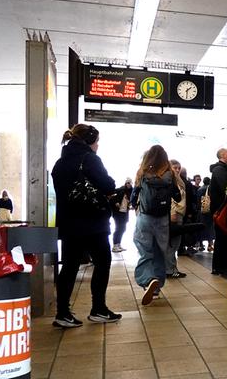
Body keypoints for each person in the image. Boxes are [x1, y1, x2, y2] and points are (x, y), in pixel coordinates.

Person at [50, 123, 120, 327]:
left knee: (69, 267)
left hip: (69, 223)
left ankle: (62, 313)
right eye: (97, 141)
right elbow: (107, 185)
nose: (98, 145)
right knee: (102, 262)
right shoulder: (89, 159)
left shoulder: (60, 163)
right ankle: (98, 308)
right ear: (90, 141)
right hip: (92, 222)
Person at [130, 145, 182, 305]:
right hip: (162, 220)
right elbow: (178, 197)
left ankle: (148, 280)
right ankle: (156, 288)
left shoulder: (142, 172)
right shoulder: (170, 174)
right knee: (160, 252)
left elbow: (133, 197)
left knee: (145, 251)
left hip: (145, 218)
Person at [210, 148, 227, 274]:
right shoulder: (220, 170)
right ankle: (219, 266)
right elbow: (225, 189)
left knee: (226, 237)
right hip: (221, 210)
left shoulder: (222, 169)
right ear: (223, 155)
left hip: (221, 209)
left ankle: (225, 264)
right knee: (222, 238)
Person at [166, 160, 188, 278]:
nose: (178, 170)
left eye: (179, 168)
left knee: (174, 243)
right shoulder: (170, 180)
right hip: (174, 214)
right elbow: (171, 198)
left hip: (179, 213)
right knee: (173, 244)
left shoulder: (178, 180)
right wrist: (173, 212)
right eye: (175, 167)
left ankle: (172, 268)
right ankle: (170, 270)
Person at [110, 178, 133, 252]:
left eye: (130, 183)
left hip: (124, 212)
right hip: (118, 212)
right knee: (118, 228)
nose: (129, 184)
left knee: (123, 229)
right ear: (125, 183)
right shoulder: (121, 189)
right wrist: (116, 202)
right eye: (127, 183)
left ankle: (118, 244)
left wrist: (130, 206)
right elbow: (111, 196)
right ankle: (115, 245)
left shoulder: (131, 191)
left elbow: (131, 201)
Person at [196, 176, 214, 252]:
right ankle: (210, 245)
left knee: (201, 228)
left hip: (201, 211)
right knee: (210, 228)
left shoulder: (199, 189)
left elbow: (197, 200)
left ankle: (201, 244)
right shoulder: (210, 189)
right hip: (209, 212)